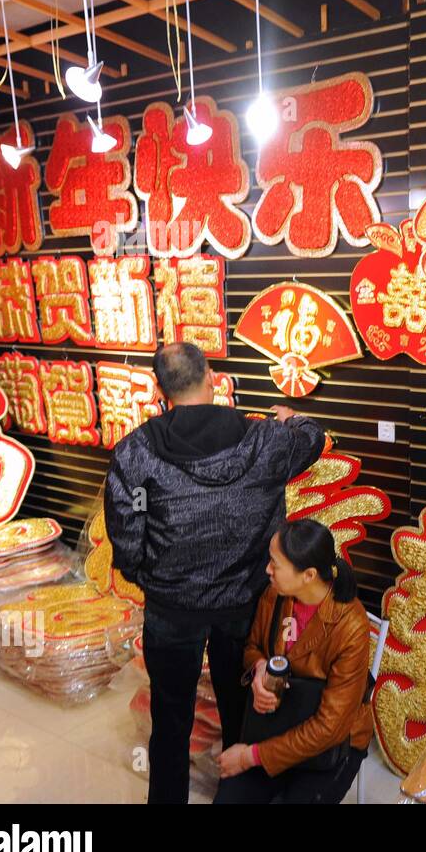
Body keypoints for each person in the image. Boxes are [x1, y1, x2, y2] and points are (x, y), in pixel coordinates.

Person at [104, 342, 327, 804]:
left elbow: (127, 529)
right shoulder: (264, 440)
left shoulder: (136, 452)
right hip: (243, 601)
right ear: (211, 380)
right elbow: (314, 439)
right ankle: (239, 796)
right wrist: (292, 419)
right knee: (242, 710)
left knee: (170, 717)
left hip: (171, 607)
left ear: (161, 391)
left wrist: (144, 573)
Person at [214, 519, 373, 804]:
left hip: (330, 746)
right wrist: (260, 669)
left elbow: (330, 728)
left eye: (275, 563)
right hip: (276, 723)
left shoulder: (351, 626)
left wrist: (251, 757)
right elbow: (253, 648)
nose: (267, 570)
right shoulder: (275, 595)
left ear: (308, 575)